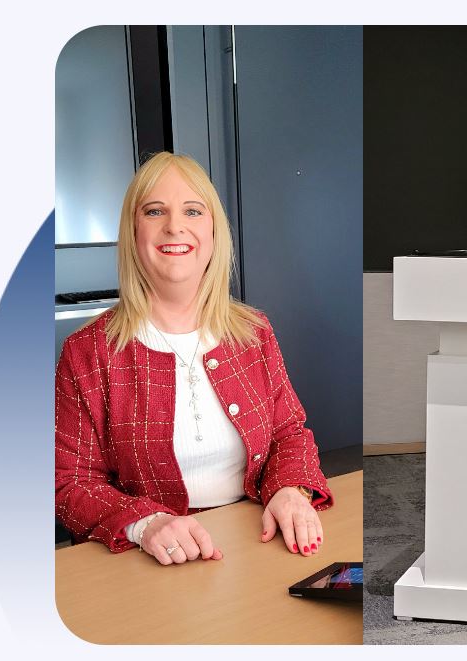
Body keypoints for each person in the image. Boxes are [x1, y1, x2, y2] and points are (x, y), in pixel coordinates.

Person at [55, 152, 333, 565]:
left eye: (192, 210)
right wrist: (144, 522)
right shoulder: (87, 352)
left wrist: (289, 490)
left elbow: (288, 434)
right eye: (154, 211)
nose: (174, 225)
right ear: (133, 233)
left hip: (257, 545)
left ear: (214, 231)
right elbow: (68, 482)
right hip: (144, 563)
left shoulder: (254, 334)